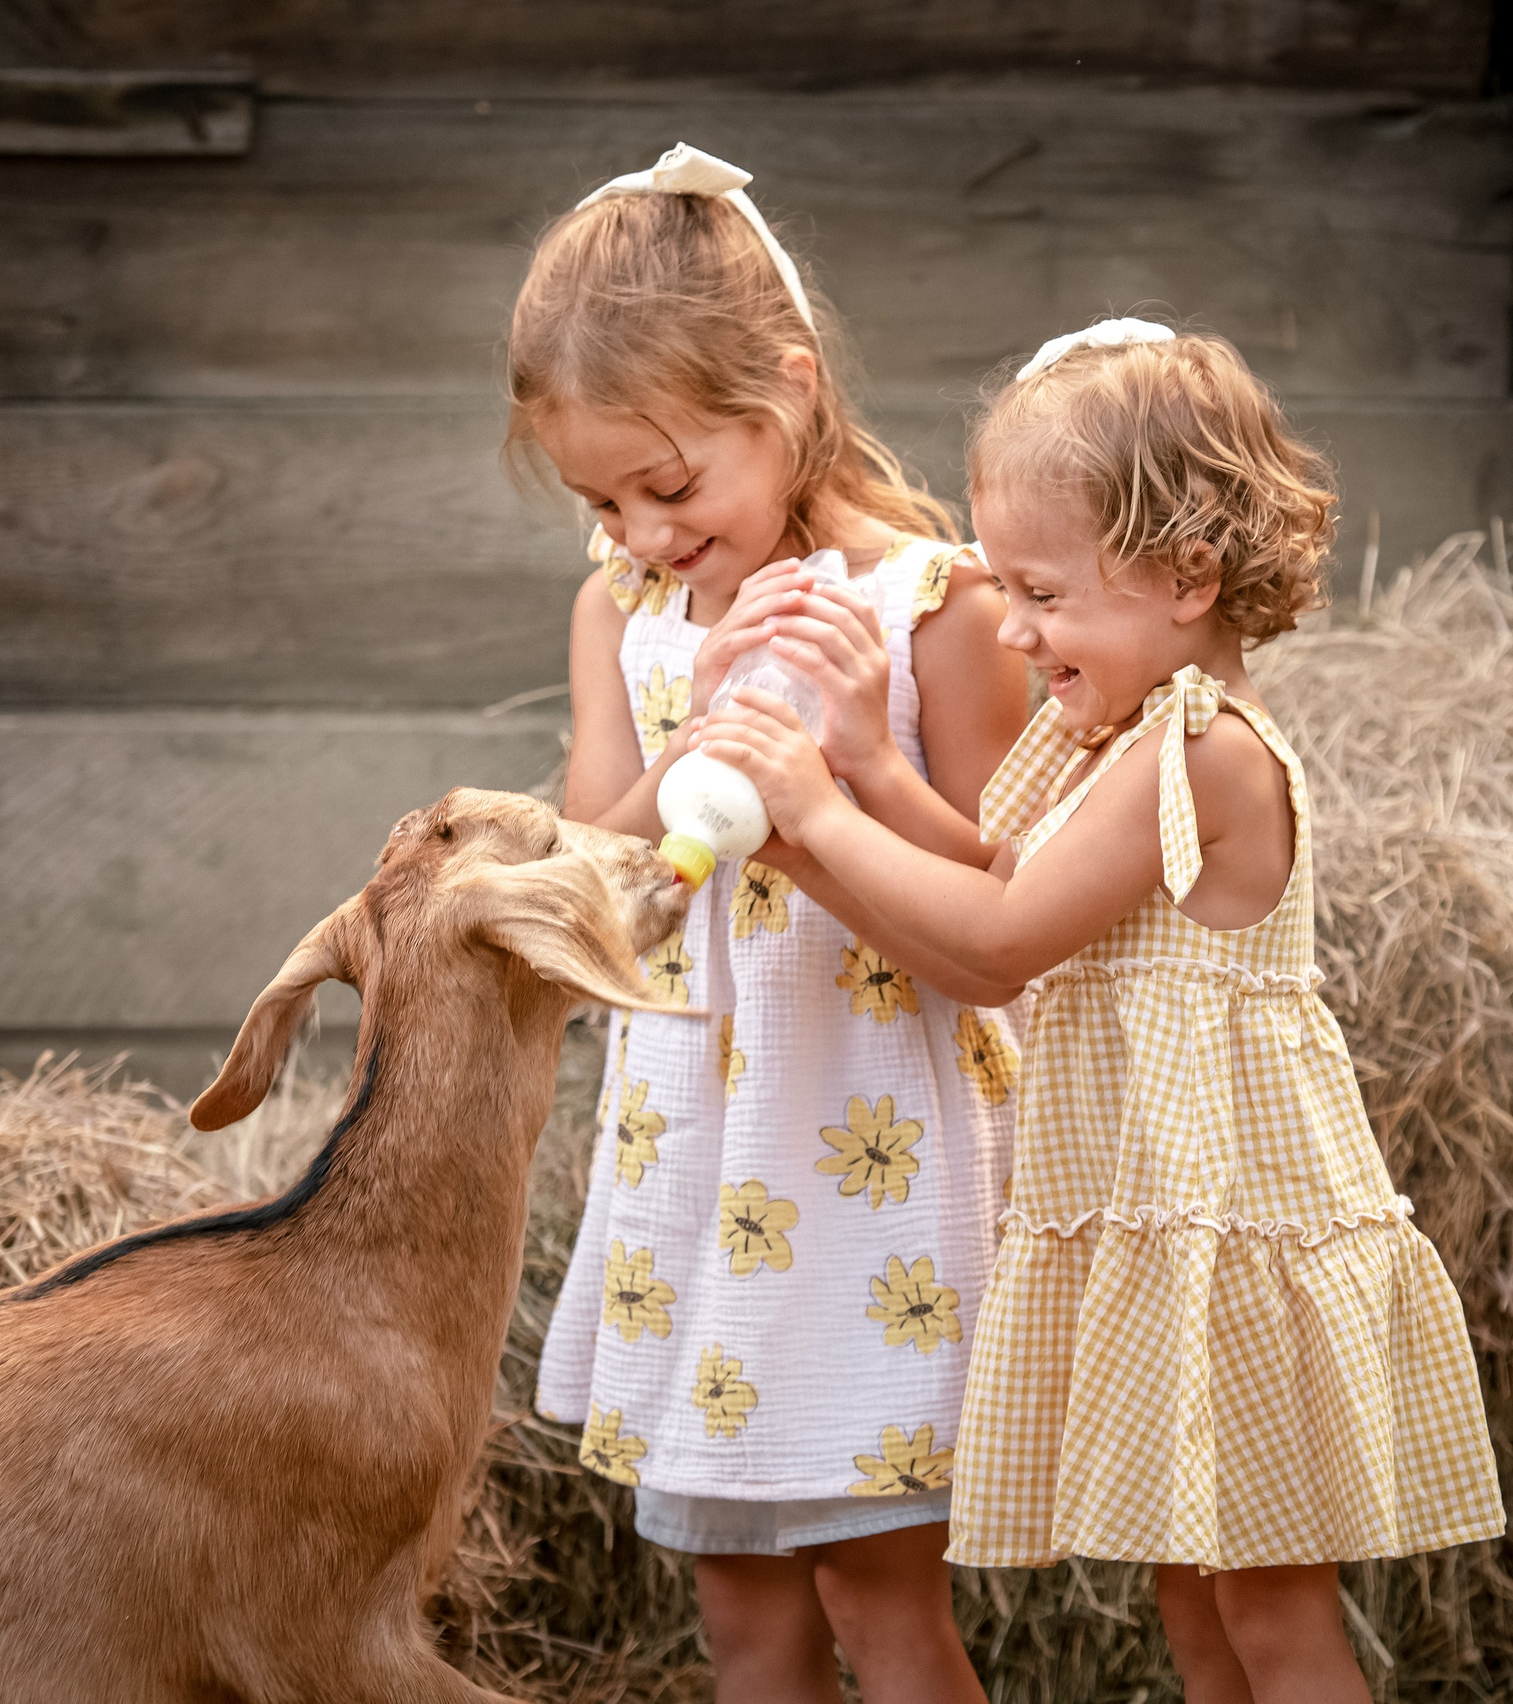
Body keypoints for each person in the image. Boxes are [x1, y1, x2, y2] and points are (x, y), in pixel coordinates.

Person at [695, 317, 1506, 1704]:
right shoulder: (1118, 736)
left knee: (1271, 1621)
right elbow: (1002, 880)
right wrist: (846, 805)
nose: (1012, 630)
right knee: (1197, 1613)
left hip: (1233, 1237)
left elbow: (1000, 946)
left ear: (1186, 576)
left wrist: (827, 811)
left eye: (1044, 595)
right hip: (1166, 1224)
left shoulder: (1199, 748)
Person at [513, 144, 1030, 1704]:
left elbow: (1007, 901)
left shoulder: (933, 607)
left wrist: (847, 786)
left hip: (869, 1167)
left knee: (884, 1603)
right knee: (741, 1618)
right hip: (697, 1161)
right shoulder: (626, 610)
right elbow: (595, 873)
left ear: (789, 396)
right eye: (601, 498)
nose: (643, 532)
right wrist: (681, 769)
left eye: (670, 486)